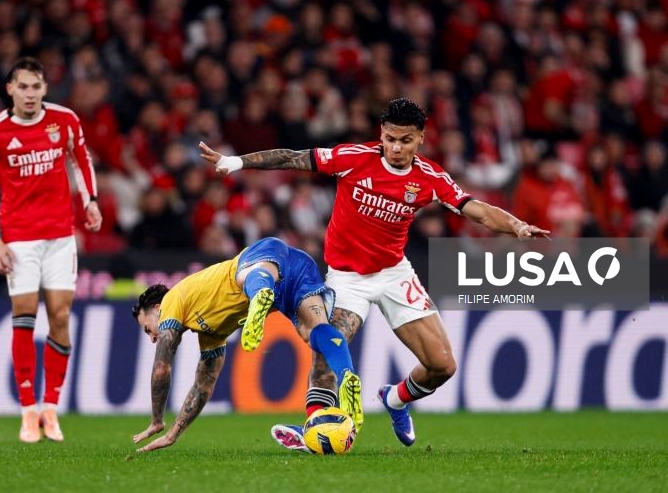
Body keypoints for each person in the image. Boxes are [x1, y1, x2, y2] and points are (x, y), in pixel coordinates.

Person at [199, 98, 549, 451]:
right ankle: (314, 429)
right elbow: (293, 156)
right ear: (381, 134)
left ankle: (395, 399)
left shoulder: (429, 178)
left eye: (406, 140)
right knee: (328, 347)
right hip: (347, 278)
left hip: (395, 274)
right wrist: (235, 161)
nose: (396, 148)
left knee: (443, 366)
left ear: (421, 139)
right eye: (390, 138)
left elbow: (477, 210)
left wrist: (516, 225)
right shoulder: (352, 159)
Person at [0, 57, 102, 443]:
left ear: (45, 88)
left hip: (60, 234)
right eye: (23, 87)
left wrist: (90, 200)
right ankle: (27, 411)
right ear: (10, 89)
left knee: (60, 315)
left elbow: (82, 160)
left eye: (36, 87)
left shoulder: (65, 120)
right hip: (19, 237)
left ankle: (50, 407)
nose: (30, 94)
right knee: (24, 315)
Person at [131, 237, 361, 452]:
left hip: (262, 260)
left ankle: (260, 292)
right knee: (313, 331)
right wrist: (173, 434)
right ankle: (347, 373)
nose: (152, 337)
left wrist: (157, 420)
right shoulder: (211, 331)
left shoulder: (172, 301)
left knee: (245, 275)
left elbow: (162, 368)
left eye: (147, 328)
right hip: (296, 269)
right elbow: (203, 387)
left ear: (158, 309)